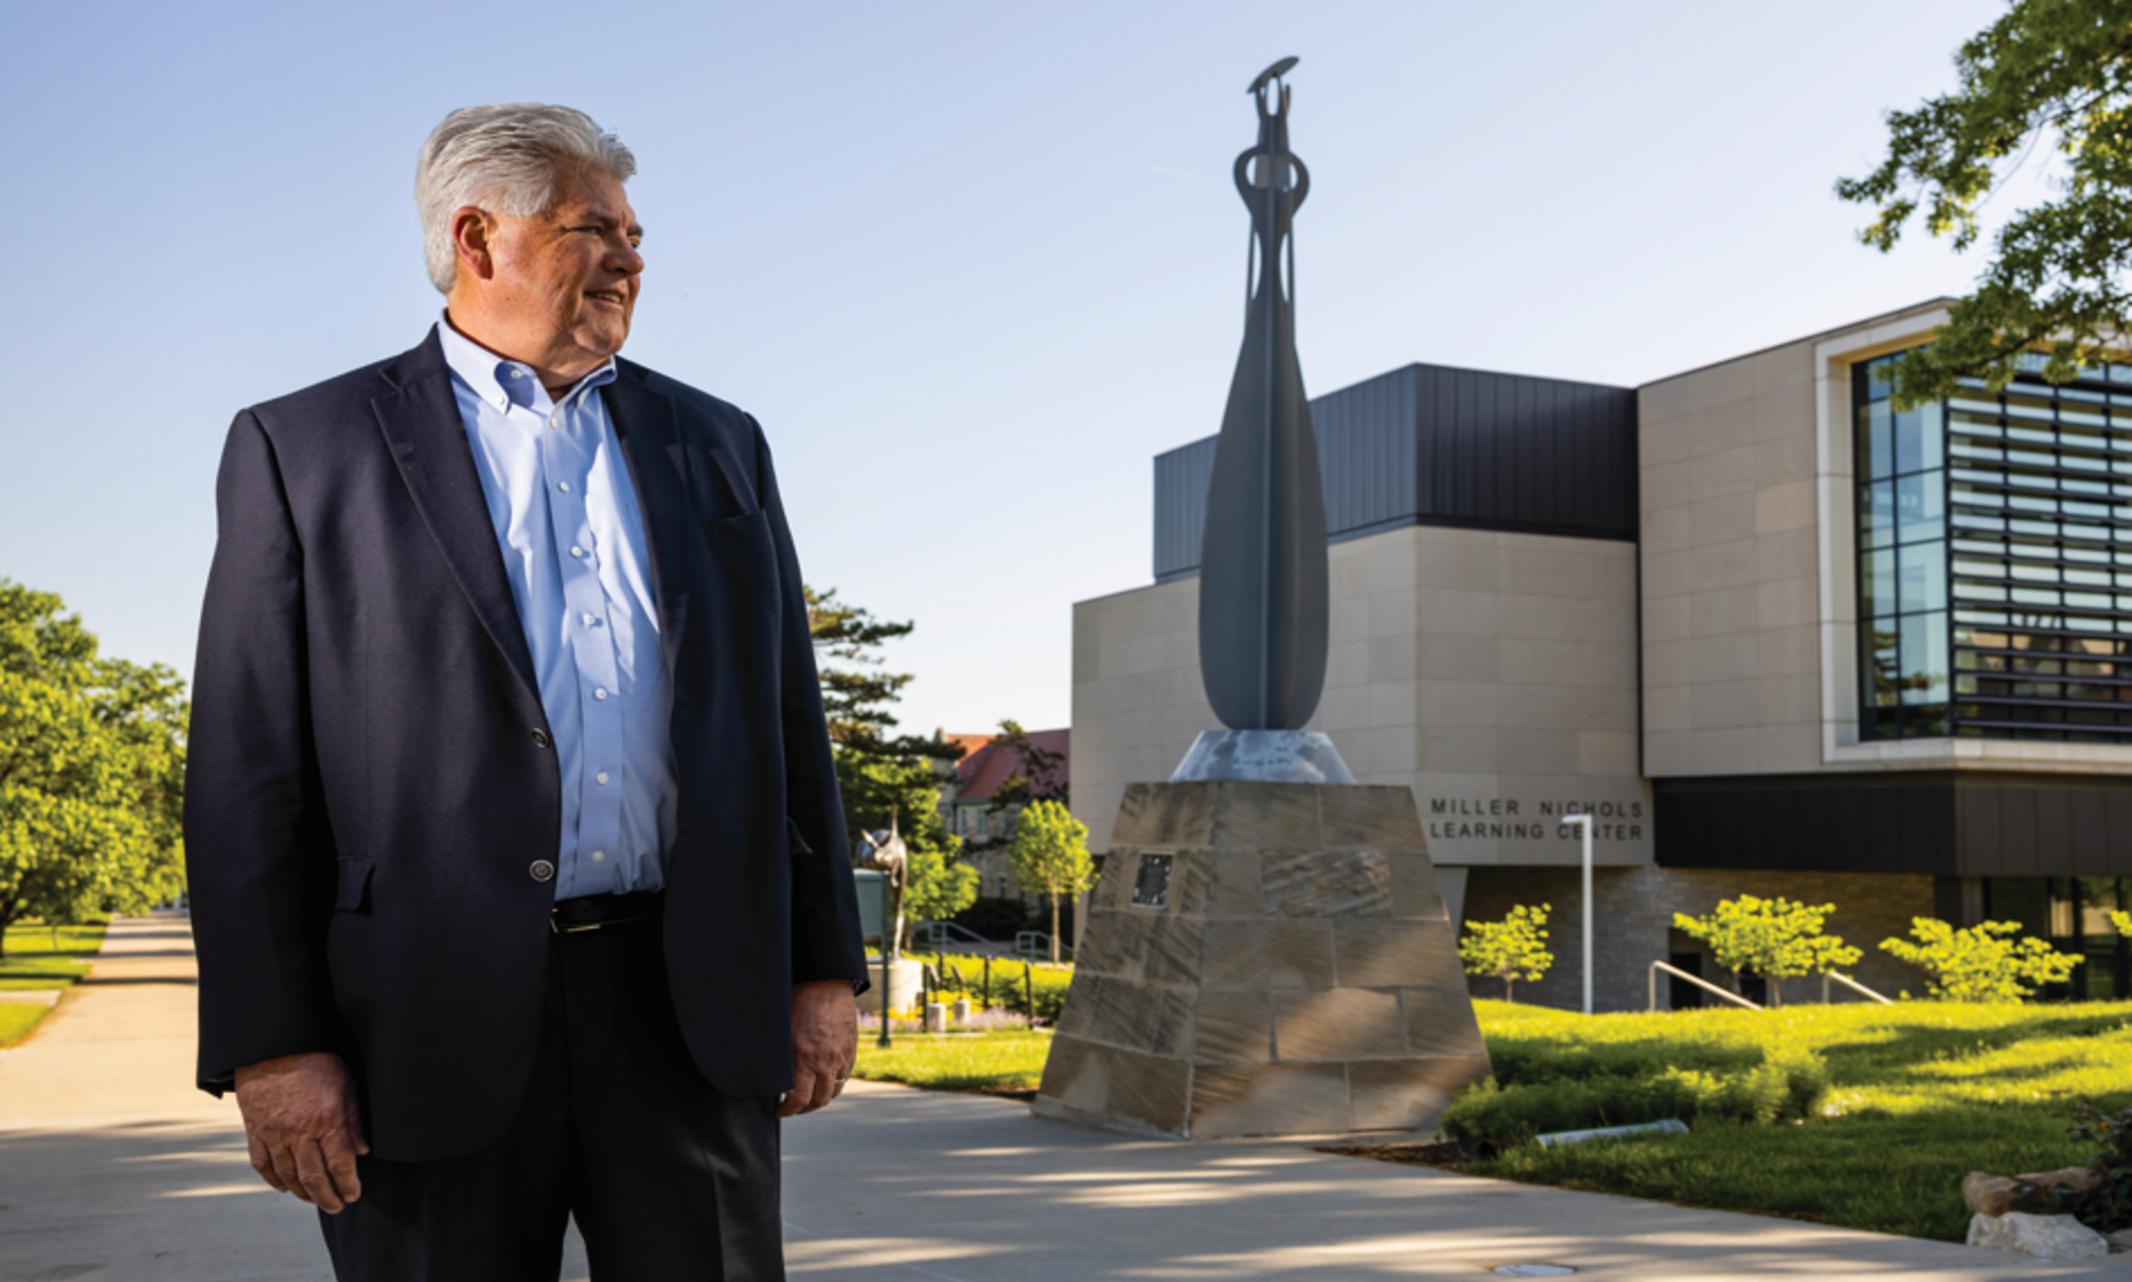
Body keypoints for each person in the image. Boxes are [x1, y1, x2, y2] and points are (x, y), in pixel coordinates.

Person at [183, 102, 867, 1281]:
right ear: (477, 237)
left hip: (685, 1011)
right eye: (590, 226)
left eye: (636, 234)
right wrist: (273, 1046)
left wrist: (823, 967)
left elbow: (783, 724)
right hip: (423, 1018)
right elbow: (246, 777)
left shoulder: (717, 442)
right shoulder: (305, 448)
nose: (630, 257)